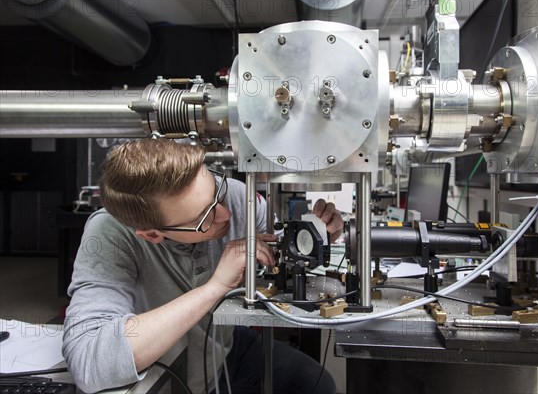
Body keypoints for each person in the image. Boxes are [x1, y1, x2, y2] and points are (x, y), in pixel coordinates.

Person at [62, 139, 342, 394]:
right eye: (205, 216)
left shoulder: (234, 195)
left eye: (216, 194)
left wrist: (317, 236)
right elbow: (91, 362)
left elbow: (284, 248)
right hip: (164, 367)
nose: (226, 214)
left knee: (315, 384)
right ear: (152, 234)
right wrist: (216, 287)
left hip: (225, 348)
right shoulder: (109, 234)